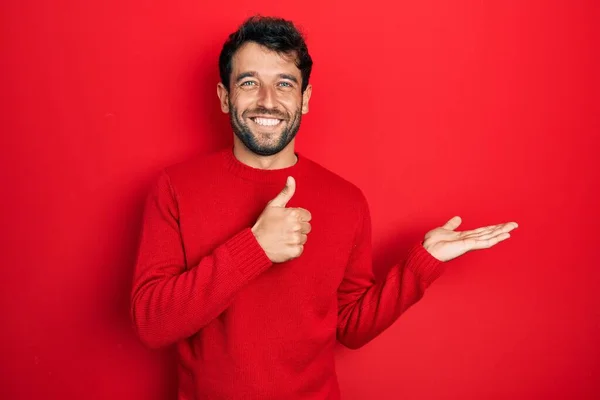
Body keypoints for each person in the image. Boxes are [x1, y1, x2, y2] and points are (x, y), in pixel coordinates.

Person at [130, 15, 518, 400]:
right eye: (249, 83)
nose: (267, 100)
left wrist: (422, 264)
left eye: (285, 84)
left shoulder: (346, 200)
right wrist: (255, 248)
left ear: (305, 99)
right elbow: (152, 324)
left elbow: (351, 328)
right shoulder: (175, 188)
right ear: (224, 96)